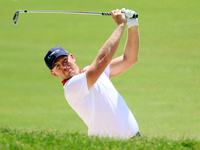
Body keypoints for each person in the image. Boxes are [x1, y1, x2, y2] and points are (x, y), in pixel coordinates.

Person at [44, 8, 140, 139]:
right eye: (57, 66)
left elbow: (129, 59)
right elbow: (103, 60)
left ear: (72, 57)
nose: (64, 66)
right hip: (110, 146)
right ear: (54, 74)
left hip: (135, 139)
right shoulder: (72, 87)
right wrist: (121, 25)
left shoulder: (92, 72)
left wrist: (133, 23)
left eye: (65, 60)